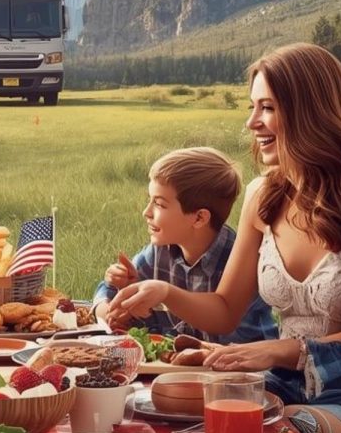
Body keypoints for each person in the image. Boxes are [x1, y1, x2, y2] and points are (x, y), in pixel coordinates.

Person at [110, 44, 341, 433]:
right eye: (252, 106)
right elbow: (224, 311)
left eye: (267, 107)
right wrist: (165, 290)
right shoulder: (264, 195)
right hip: (283, 384)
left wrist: (278, 351)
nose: (252, 122)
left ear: (308, 111)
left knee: (284, 430)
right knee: (153, 404)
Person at [92, 147, 277, 344]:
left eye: (160, 204)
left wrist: (165, 297)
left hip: (245, 368)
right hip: (179, 370)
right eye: (150, 200)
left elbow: (235, 346)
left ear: (199, 218)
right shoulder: (159, 252)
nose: (146, 212)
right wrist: (115, 307)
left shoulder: (238, 261)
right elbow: (106, 296)